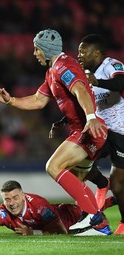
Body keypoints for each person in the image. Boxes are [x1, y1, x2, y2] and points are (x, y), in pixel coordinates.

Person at [0, 29, 111, 236]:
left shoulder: (64, 66)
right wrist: (10, 100)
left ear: (46, 48)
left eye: (36, 49)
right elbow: (38, 100)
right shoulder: (53, 71)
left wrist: (90, 117)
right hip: (85, 129)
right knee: (76, 180)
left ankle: (93, 217)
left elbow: (80, 89)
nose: (35, 53)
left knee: (53, 166)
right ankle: (100, 225)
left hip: (88, 129)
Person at [50, 34, 124, 235]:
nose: (79, 54)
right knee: (77, 168)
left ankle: (123, 223)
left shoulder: (111, 65)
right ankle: (93, 209)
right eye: (79, 50)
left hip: (120, 132)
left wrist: (97, 80)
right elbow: (87, 100)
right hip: (99, 130)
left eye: (84, 51)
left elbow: (120, 84)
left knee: (119, 184)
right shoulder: (85, 72)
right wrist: (66, 120)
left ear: (97, 53)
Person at [0, 180, 114, 236]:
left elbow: (61, 231)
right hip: (62, 211)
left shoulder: (39, 206)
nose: (11, 203)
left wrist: (33, 233)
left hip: (73, 215)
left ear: (23, 196)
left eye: (15, 197)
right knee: (98, 208)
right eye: (7, 199)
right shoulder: (5, 210)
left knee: (100, 217)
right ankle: (113, 200)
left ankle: (113, 199)